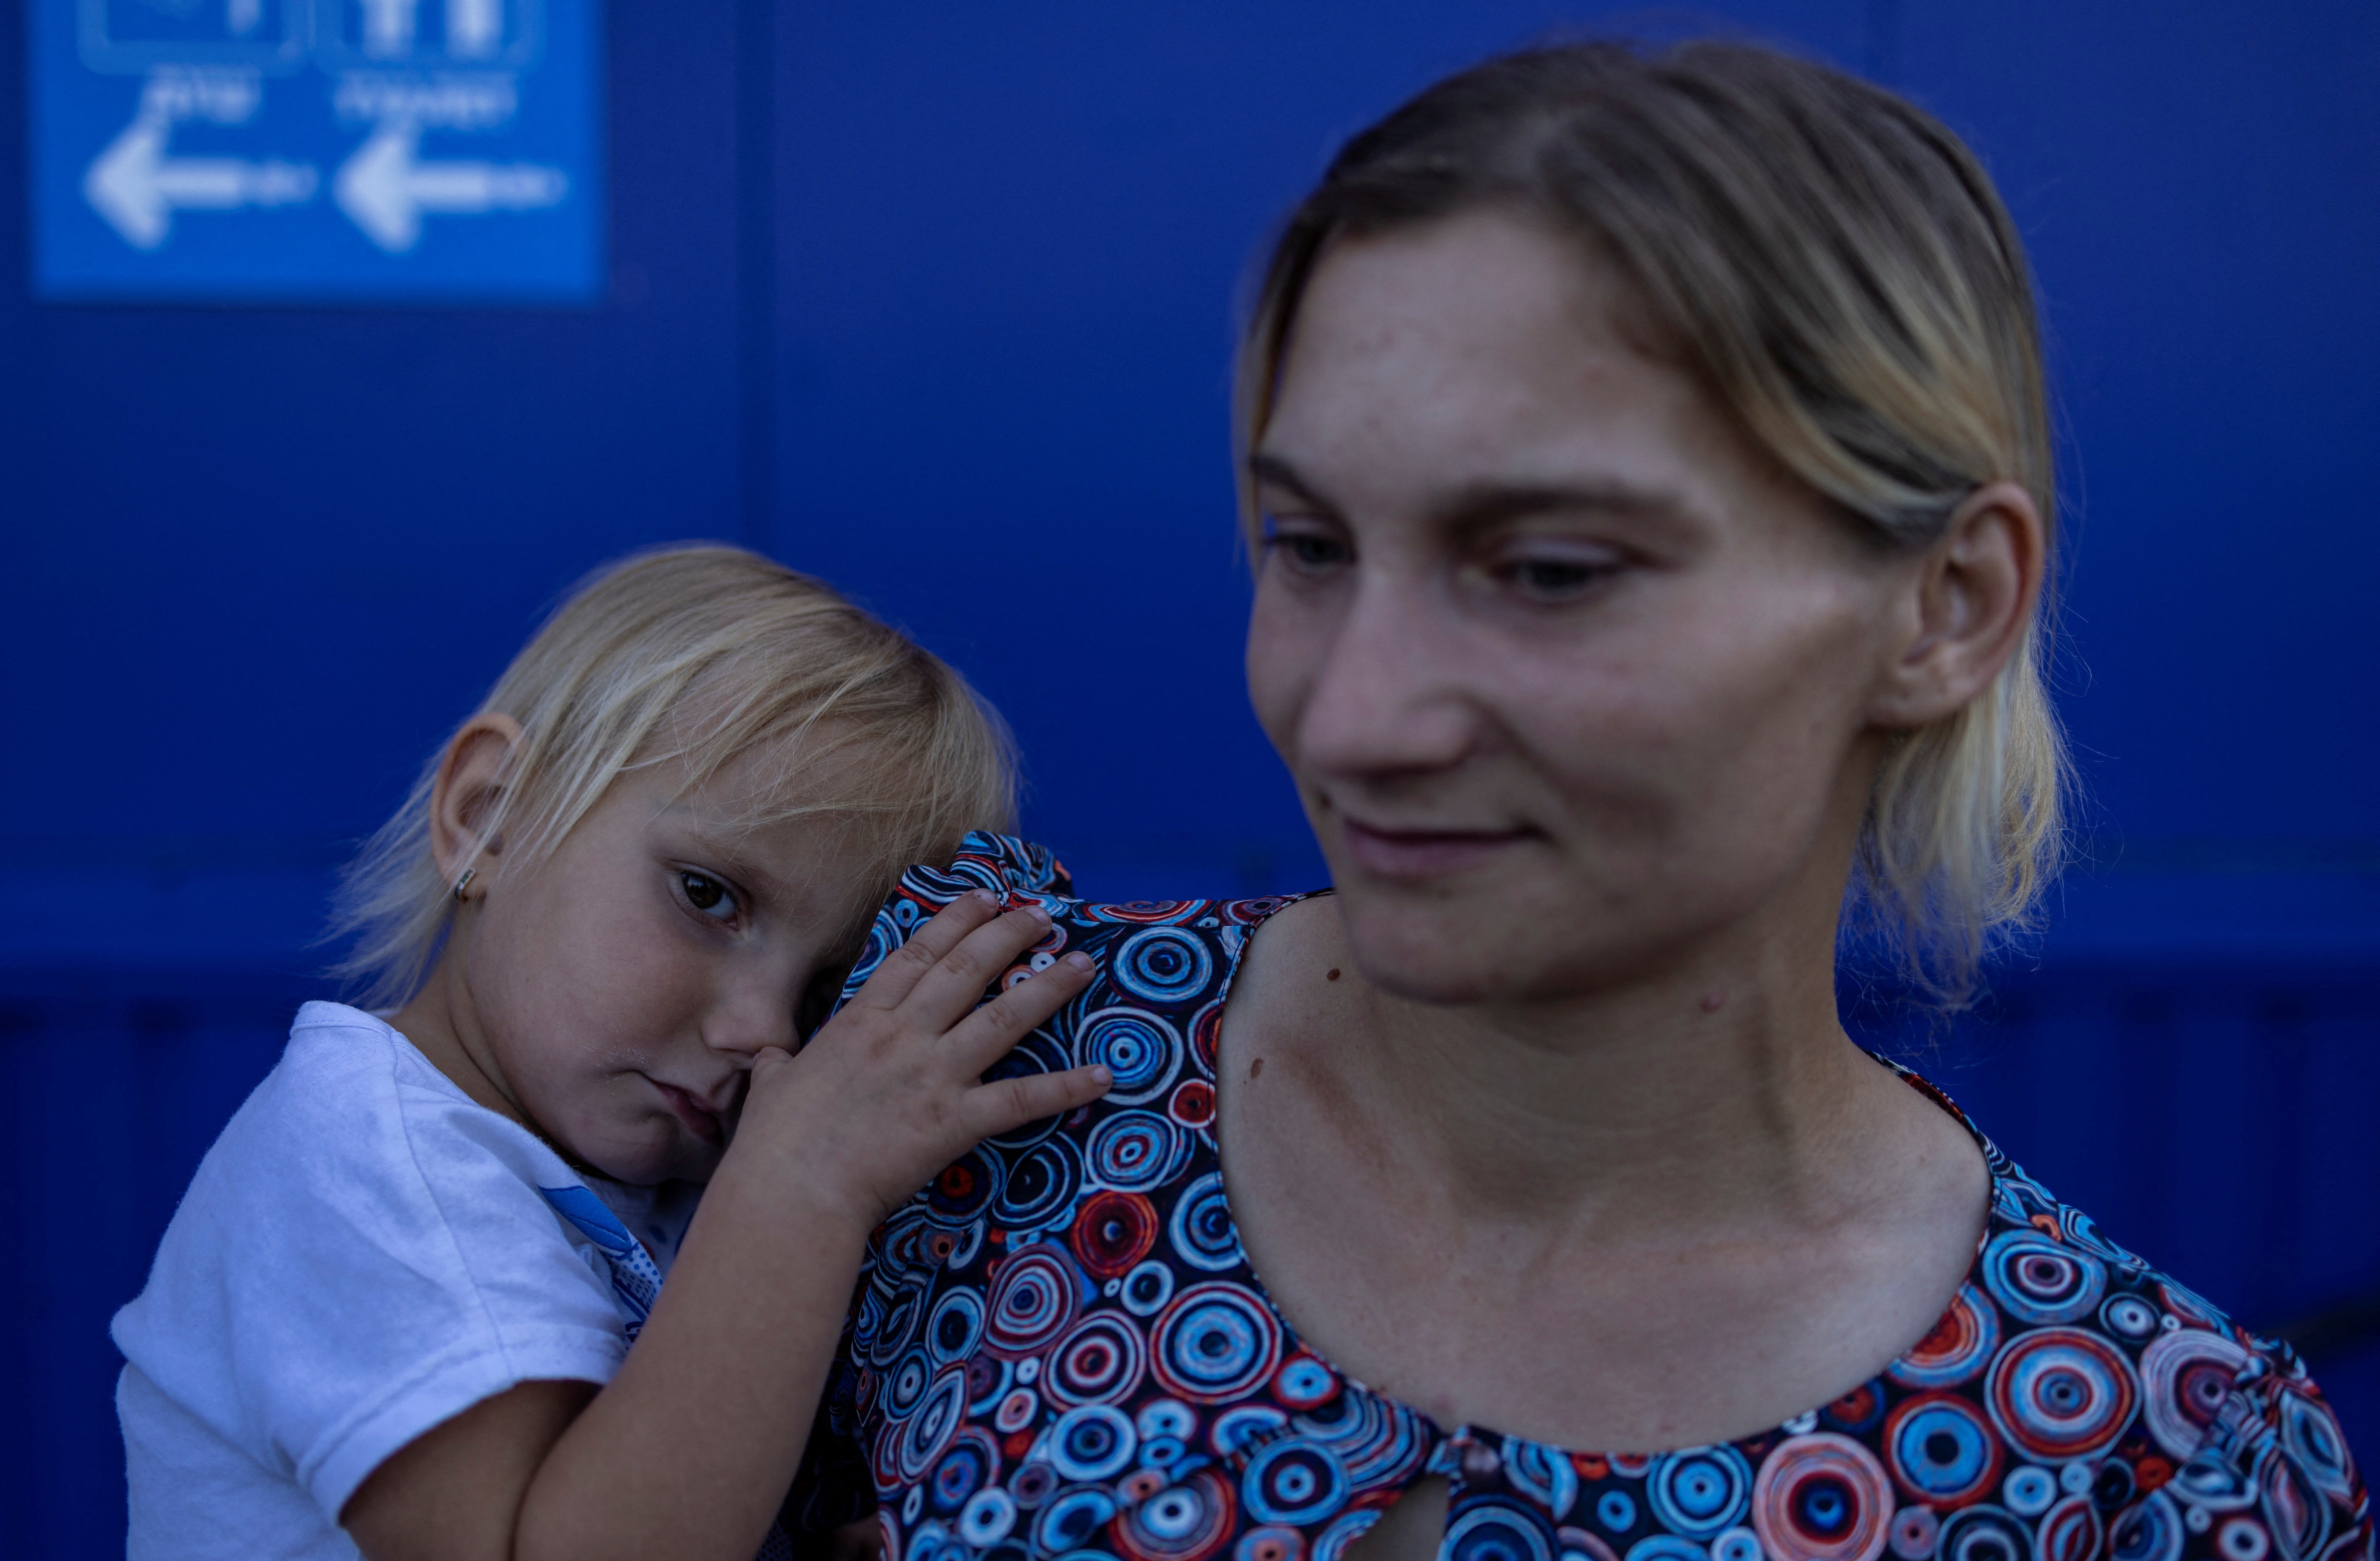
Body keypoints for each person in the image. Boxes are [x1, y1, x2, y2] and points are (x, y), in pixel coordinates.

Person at [819, 41, 2371, 1561]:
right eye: (1309, 545)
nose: (1354, 719)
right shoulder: (974, 1090)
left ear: (1945, 608)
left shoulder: (2155, 1477)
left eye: (1549, 571)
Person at [111, 545, 1113, 1561]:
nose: (764, 1031)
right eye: (709, 896)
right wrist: (801, 1188)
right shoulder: (373, 1168)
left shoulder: (647, 1186)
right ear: (488, 816)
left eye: (825, 992)